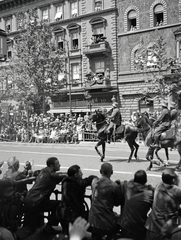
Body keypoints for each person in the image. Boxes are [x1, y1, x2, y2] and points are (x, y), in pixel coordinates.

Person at [23, 157, 67, 234]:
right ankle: (49, 227)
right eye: (57, 164)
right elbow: (56, 175)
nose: (59, 165)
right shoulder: (51, 173)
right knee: (60, 205)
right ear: (51, 166)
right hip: (36, 201)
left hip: (29, 199)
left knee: (30, 228)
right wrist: (68, 174)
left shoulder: (44, 171)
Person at [58, 164, 97, 236]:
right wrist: (94, 177)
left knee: (66, 233)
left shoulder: (65, 181)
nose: (82, 174)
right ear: (76, 175)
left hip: (63, 213)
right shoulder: (78, 183)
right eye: (80, 172)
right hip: (73, 215)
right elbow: (86, 181)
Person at [118, 170, 154, 240]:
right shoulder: (149, 193)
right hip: (138, 228)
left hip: (124, 226)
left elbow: (125, 182)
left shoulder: (127, 186)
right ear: (145, 180)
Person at [145, 168, 181, 240]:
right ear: (173, 180)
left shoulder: (158, 186)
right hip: (165, 231)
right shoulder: (177, 191)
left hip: (151, 227)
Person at [88, 163, 121, 240]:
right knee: (119, 220)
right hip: (106, 223)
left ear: (100, 171)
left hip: (92, 221)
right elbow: (117, 203)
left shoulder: (94, 181)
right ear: (112, 172)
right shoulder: (114, 186)